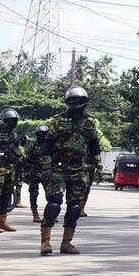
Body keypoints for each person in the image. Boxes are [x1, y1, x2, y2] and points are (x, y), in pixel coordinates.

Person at [39, 86, 102, 256]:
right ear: (67, 103)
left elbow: (95, 147)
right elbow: (46, 147)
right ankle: (45, 242)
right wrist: (45, 166)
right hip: (58, 169)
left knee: (75, 207)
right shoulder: (57, 122)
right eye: (73, 102)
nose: (76, 105)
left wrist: (99, 166)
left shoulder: (90, 123)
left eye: (79, 102)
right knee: (54, 204)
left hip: (79, 169)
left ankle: (66, 243)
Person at [22, 124, 51, 222]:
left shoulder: (51, 145)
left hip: (47, 171)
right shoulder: (32, 145)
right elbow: (26, 159)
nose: (41, 136)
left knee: (51, 194)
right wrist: (26, 173)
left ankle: (50, 214)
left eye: (43, 134)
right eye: (40, 134)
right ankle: (35, 213)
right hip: (34, 171)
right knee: (33, 194)